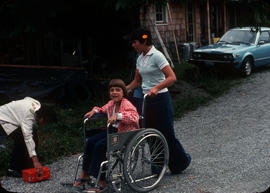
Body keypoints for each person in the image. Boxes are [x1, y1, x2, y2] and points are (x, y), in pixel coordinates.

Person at [126, 27, 191, 174]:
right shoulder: (140, 58)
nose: (133, 45)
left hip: (160, 99)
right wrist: (125, 89)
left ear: (144, 41)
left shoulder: (157, 56)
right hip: (146, 100)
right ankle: (158, 165)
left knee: (166, 133)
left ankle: (181, 162)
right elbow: (137, 81)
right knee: (150, 134)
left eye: (135, 42)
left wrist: (156, 87)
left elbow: (172, 77)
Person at [74, 79, 139, 192]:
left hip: (123, 134)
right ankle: (85, 174)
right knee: (90, 142)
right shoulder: (111, 104)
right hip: (112, 131)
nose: (114, 92)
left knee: (100, 146)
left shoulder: (127, 104)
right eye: (112, 90)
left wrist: (119, 116)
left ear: (123, 92)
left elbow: (134, 117)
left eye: (117, 90)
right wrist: (94, 111)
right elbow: (101, 109)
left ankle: (102, 181)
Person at [0, 97, 57, 193]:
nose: (44, 124)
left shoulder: (37, 105)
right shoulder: (29, 114)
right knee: (22, 139)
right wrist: (36, 161)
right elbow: (28, 137)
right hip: (3, 119)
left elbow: (27, 98)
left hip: (11, 116)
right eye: (45, 122)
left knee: (31, 135)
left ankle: (26, 166)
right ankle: (13, 169)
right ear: (42, 117)